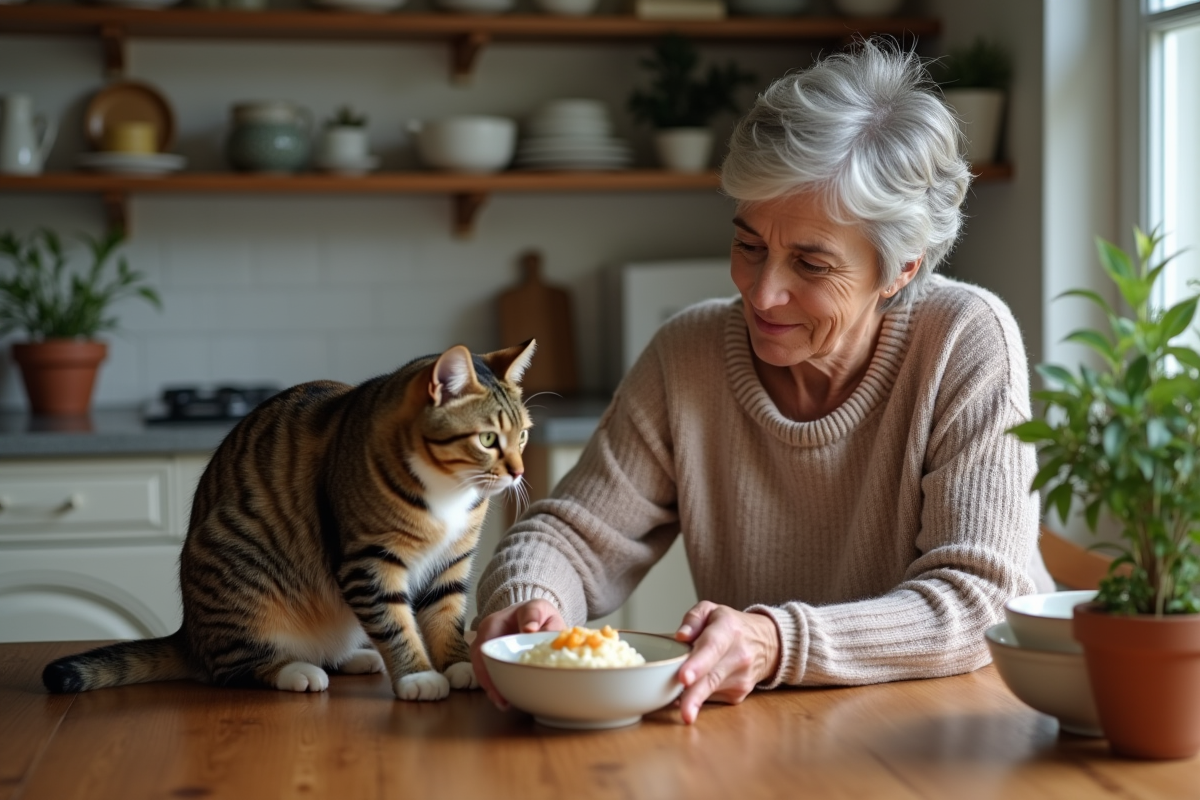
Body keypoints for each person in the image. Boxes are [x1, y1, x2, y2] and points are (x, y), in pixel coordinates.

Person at [469, 39, 1055, 724]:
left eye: (811, 264)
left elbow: (980, 600)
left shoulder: (964, 340)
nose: (762, 291)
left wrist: (777, 641)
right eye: (749, 245)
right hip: (768, 733)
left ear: (900, 268)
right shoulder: (688, 353)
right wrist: (529, 604)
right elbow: (572, 537)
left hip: (953, 731)